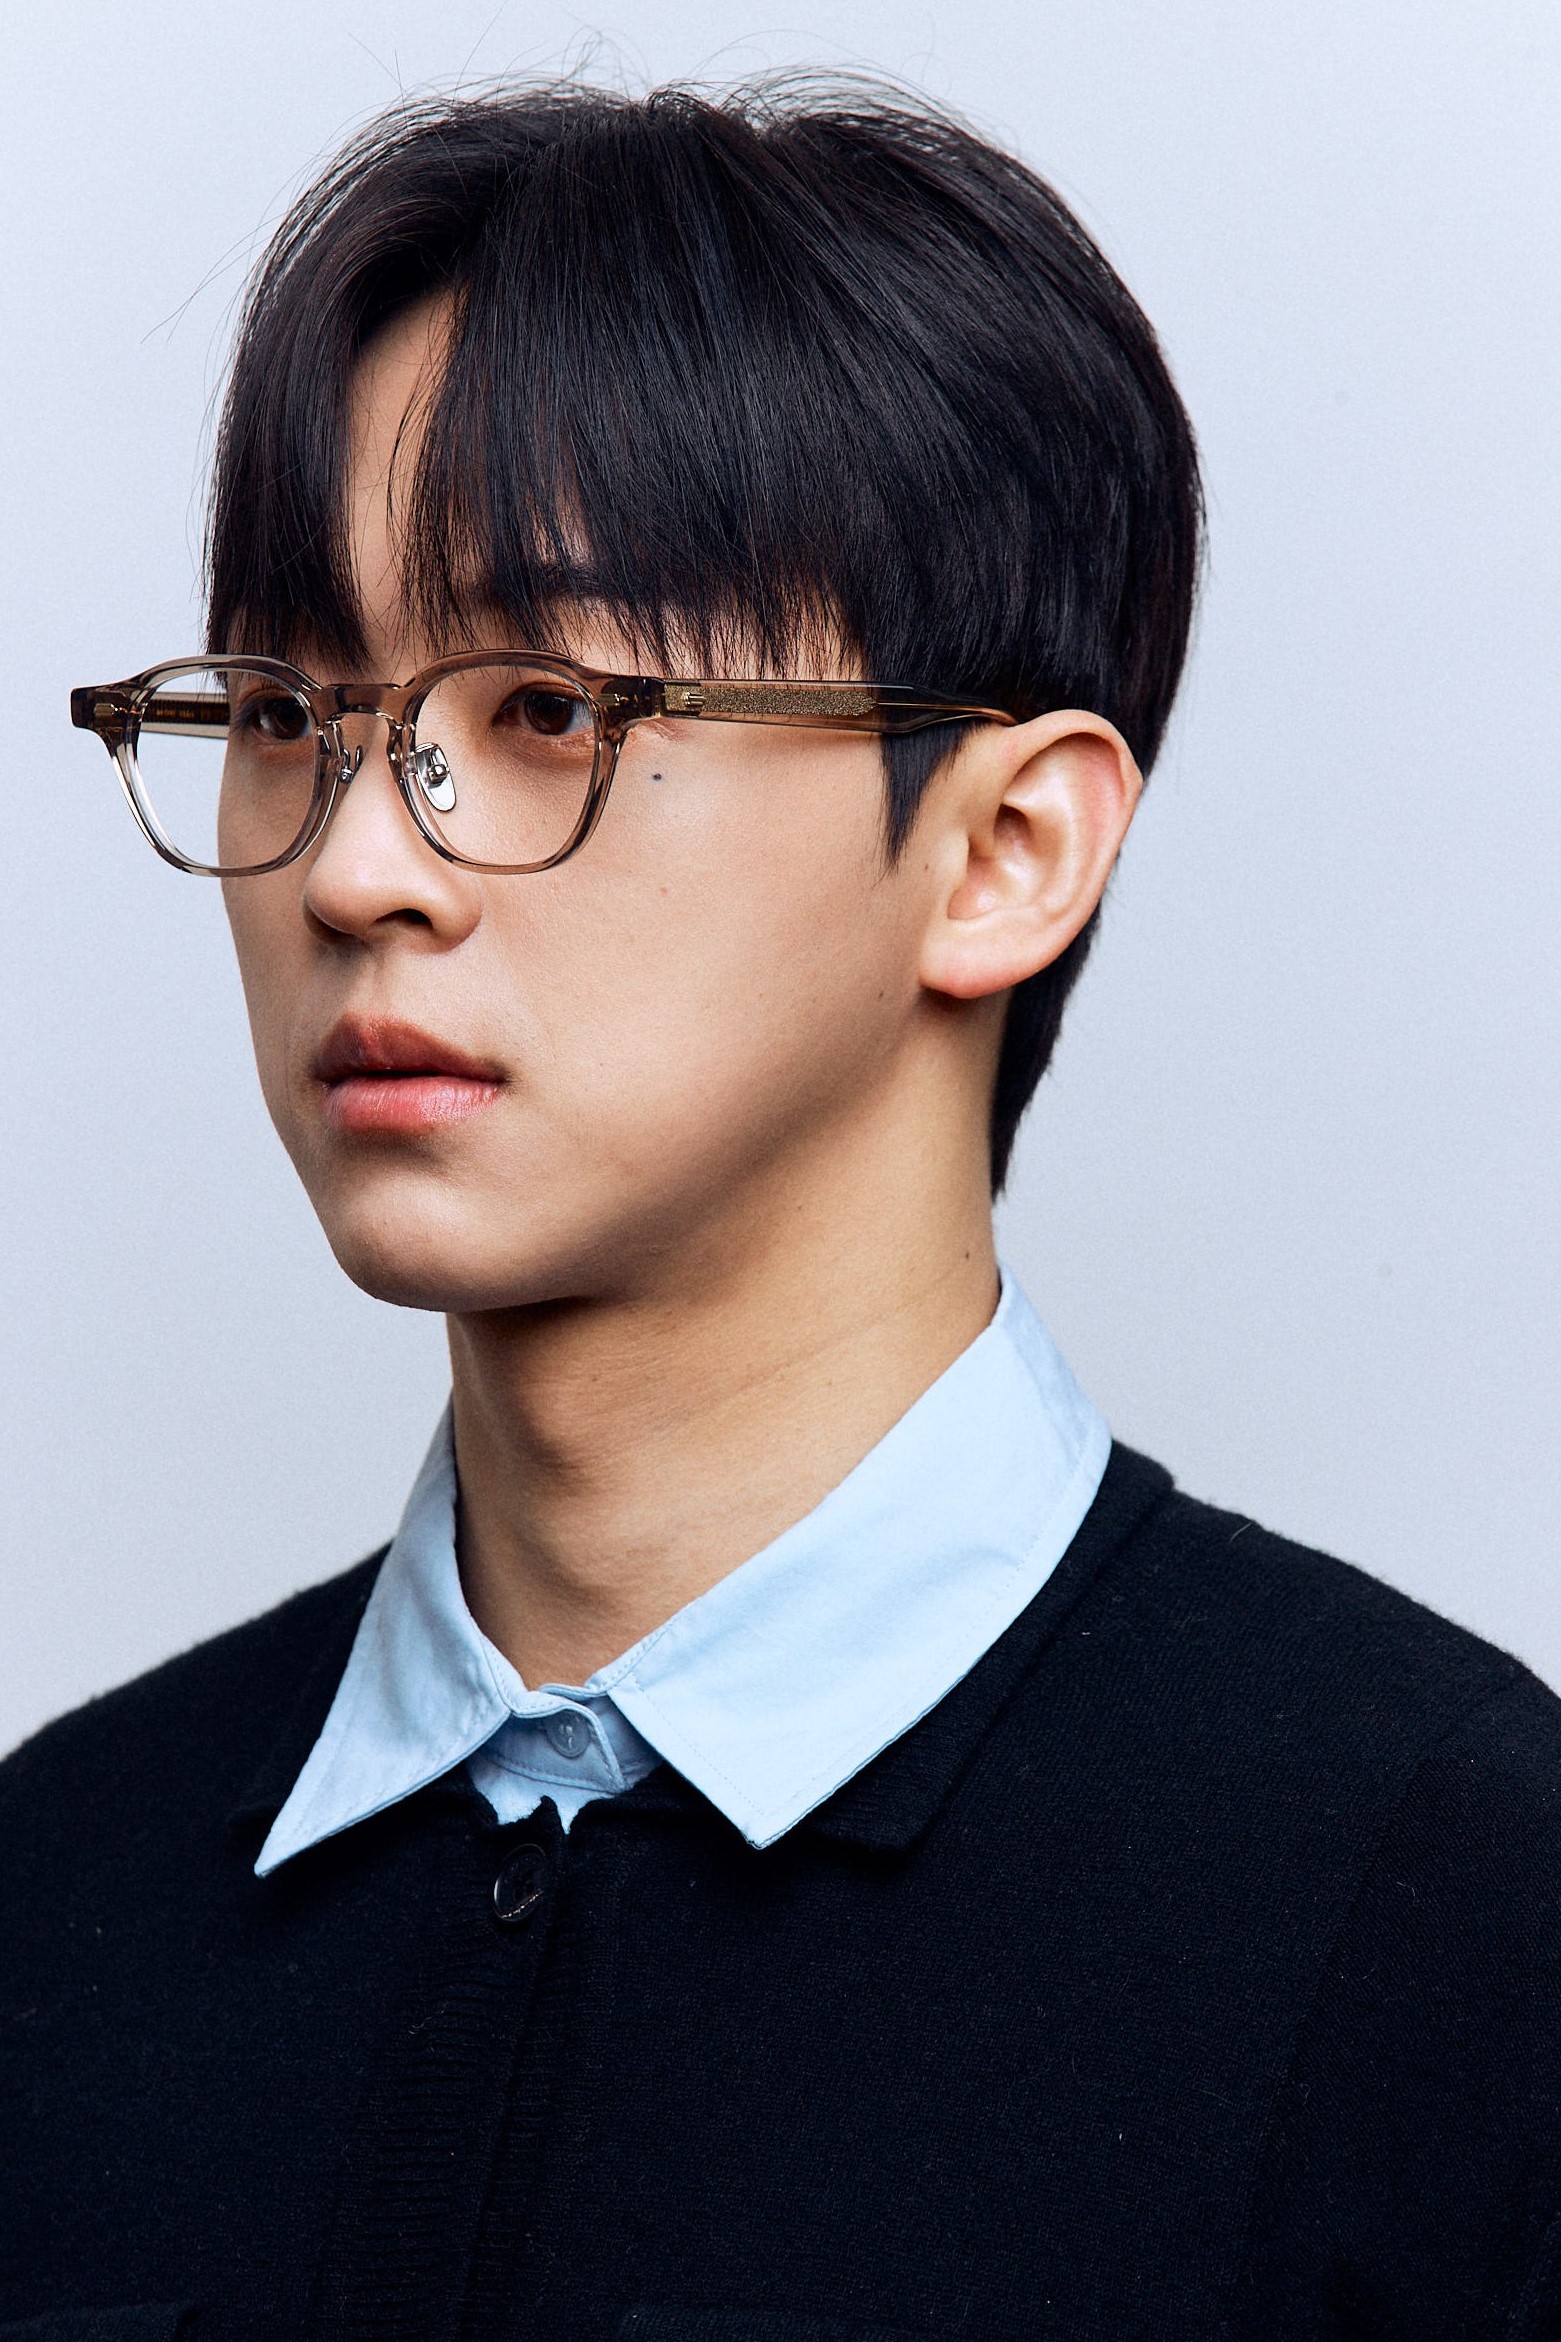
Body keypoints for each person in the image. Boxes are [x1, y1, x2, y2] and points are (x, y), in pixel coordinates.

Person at [5, 74, 1559, 2342]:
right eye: (281, 711)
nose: (356, 867)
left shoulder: (1452, 1916)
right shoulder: (54, 1892)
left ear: (1004, 850)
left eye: (547, 706)